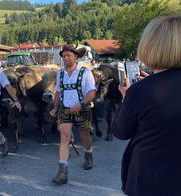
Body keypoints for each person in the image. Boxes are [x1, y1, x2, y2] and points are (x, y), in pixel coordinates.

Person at [112, 16, 181, 196]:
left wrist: (127, 98)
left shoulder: (141, 91)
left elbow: (121, 131)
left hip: (151, 181)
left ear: (151, 45)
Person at [49, 45, 96, 184]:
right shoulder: (60, 73)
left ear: (76, 56)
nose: (66, 58)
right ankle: (62, 171)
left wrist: (81, 103)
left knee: (84, 135)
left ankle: (88, 154)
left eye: (69, 55)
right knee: (64, 137)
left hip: (82, 109)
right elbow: (58, 91)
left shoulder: (86, 72)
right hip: (65, 109)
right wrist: (55, 107)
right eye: (64, 56)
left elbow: (92, 92)